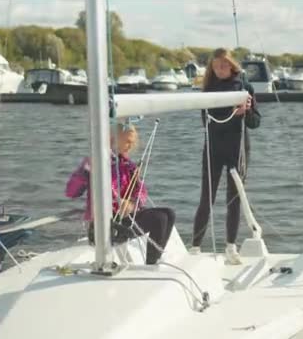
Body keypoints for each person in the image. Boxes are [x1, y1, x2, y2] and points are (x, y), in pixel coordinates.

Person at [65, 123, 175, 265]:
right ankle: (151, 265)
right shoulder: (95, 162)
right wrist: (85, 172)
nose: (131, 145)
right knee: (159, 219)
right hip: (107, 225)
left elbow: (141, 190)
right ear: (113, 139)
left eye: (133, 142)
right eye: (127, 141)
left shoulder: (128, 165)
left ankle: (155, 259)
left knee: (169, 213)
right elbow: (71, 192)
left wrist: (133, 203)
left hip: (126, 218)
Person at [190, 48, 261, 265]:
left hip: (237, 150)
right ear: (211, 67)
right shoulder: (208, 91)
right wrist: (234, 115)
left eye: (224, 65)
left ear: (232, 65)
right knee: (206, 198)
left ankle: (231, 246)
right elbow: (209, 125)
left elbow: (255, 123)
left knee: (234, 198)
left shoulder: (244, 87)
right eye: (216, 66)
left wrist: (247, 111)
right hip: (213, 149)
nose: (220, 69)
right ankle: (195, 247)